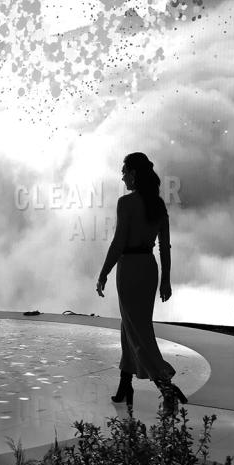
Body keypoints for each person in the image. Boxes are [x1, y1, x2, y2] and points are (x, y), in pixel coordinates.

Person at [96, 152, 187, 416]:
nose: (122, 176)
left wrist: (103, 273)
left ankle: (166, 386)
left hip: (130, 269)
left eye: (124, 171)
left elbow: (118, 242)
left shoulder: (125, 203)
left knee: (137, 331)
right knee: (131, 326)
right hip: (149, 269)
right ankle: (126, 386)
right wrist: (166, 279)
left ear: (134, 174)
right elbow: (164, 246)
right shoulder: (158, 205)